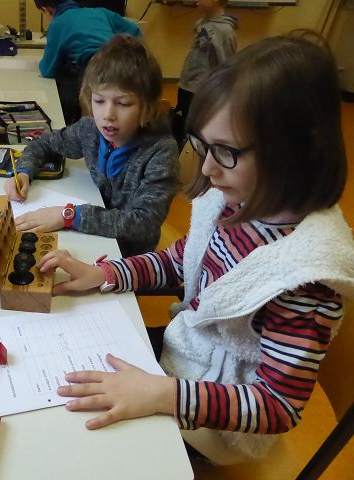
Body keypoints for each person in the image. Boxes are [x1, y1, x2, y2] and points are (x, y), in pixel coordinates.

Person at [37, 32, 354, 464]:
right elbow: (180, 261)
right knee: (68, 361)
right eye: (204, 146)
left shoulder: (306, 279)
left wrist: (161, 394)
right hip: (186, 362)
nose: (206, 169)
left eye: (225, 151)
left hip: (217, 422)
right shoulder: (239, 202)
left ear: (295, 150)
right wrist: (106, 273)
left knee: (84, 442)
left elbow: (277, 405)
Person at [5, 35, 179, 257]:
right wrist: (24, 171)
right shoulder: (90, 130)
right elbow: (43, 143)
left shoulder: (161, 152)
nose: (108, 115)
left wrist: (70, 216)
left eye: (123, 103)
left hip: (127, 255)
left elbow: (143, 223)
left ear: (147, 106)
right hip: (88, 233)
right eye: (99, 101)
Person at [35, 0, 141, 125]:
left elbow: (48, 70)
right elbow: (135, 30)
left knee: (69, 100)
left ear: (47, 10)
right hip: (120, 62)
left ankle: (71, 126)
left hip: (92, 67)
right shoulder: (101, 12)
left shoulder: (57, 23)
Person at [173, 0, 237, 149]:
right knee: (182, 122)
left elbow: (227, 66)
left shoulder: (225, 31)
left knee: (196, 128)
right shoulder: (202, 23)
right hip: (187, 84)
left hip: (201, 91)